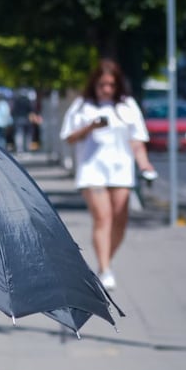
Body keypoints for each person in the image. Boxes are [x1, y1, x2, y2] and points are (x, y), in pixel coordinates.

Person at [60, 59, 156, 290]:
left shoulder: (127, 106)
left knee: (120, 220)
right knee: (103, 218)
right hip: (92, 171)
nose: (106, 89)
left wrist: (145, 165)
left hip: (120, 169)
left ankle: (106, 261)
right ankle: (104, 269)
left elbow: (137, 141)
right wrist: (90, 127)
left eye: (111, 85)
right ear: (94, 84)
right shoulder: (83, 105)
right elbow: (69, 137)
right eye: (102, 84)